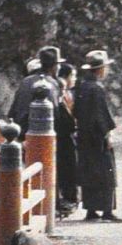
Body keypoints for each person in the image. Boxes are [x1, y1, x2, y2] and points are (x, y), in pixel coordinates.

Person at [75, 50, 122, 222]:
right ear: (100, 69)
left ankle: (91, 209)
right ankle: (107, 210)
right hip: (97, 137)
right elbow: (101, 115)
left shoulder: (81, 86)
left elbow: (77, 111)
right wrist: (107, 134)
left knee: (89, 172)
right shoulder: (97, 88)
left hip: (84, 136)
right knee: (106, 172)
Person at [54, 60, 81, 219]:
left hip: (69, 136)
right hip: (64, 137)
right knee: (67, 169)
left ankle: (70, 199)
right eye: (73, 76)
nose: (75, 79)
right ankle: (67, 200)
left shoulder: (70, 94)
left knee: (71, 169)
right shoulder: (61, 95)